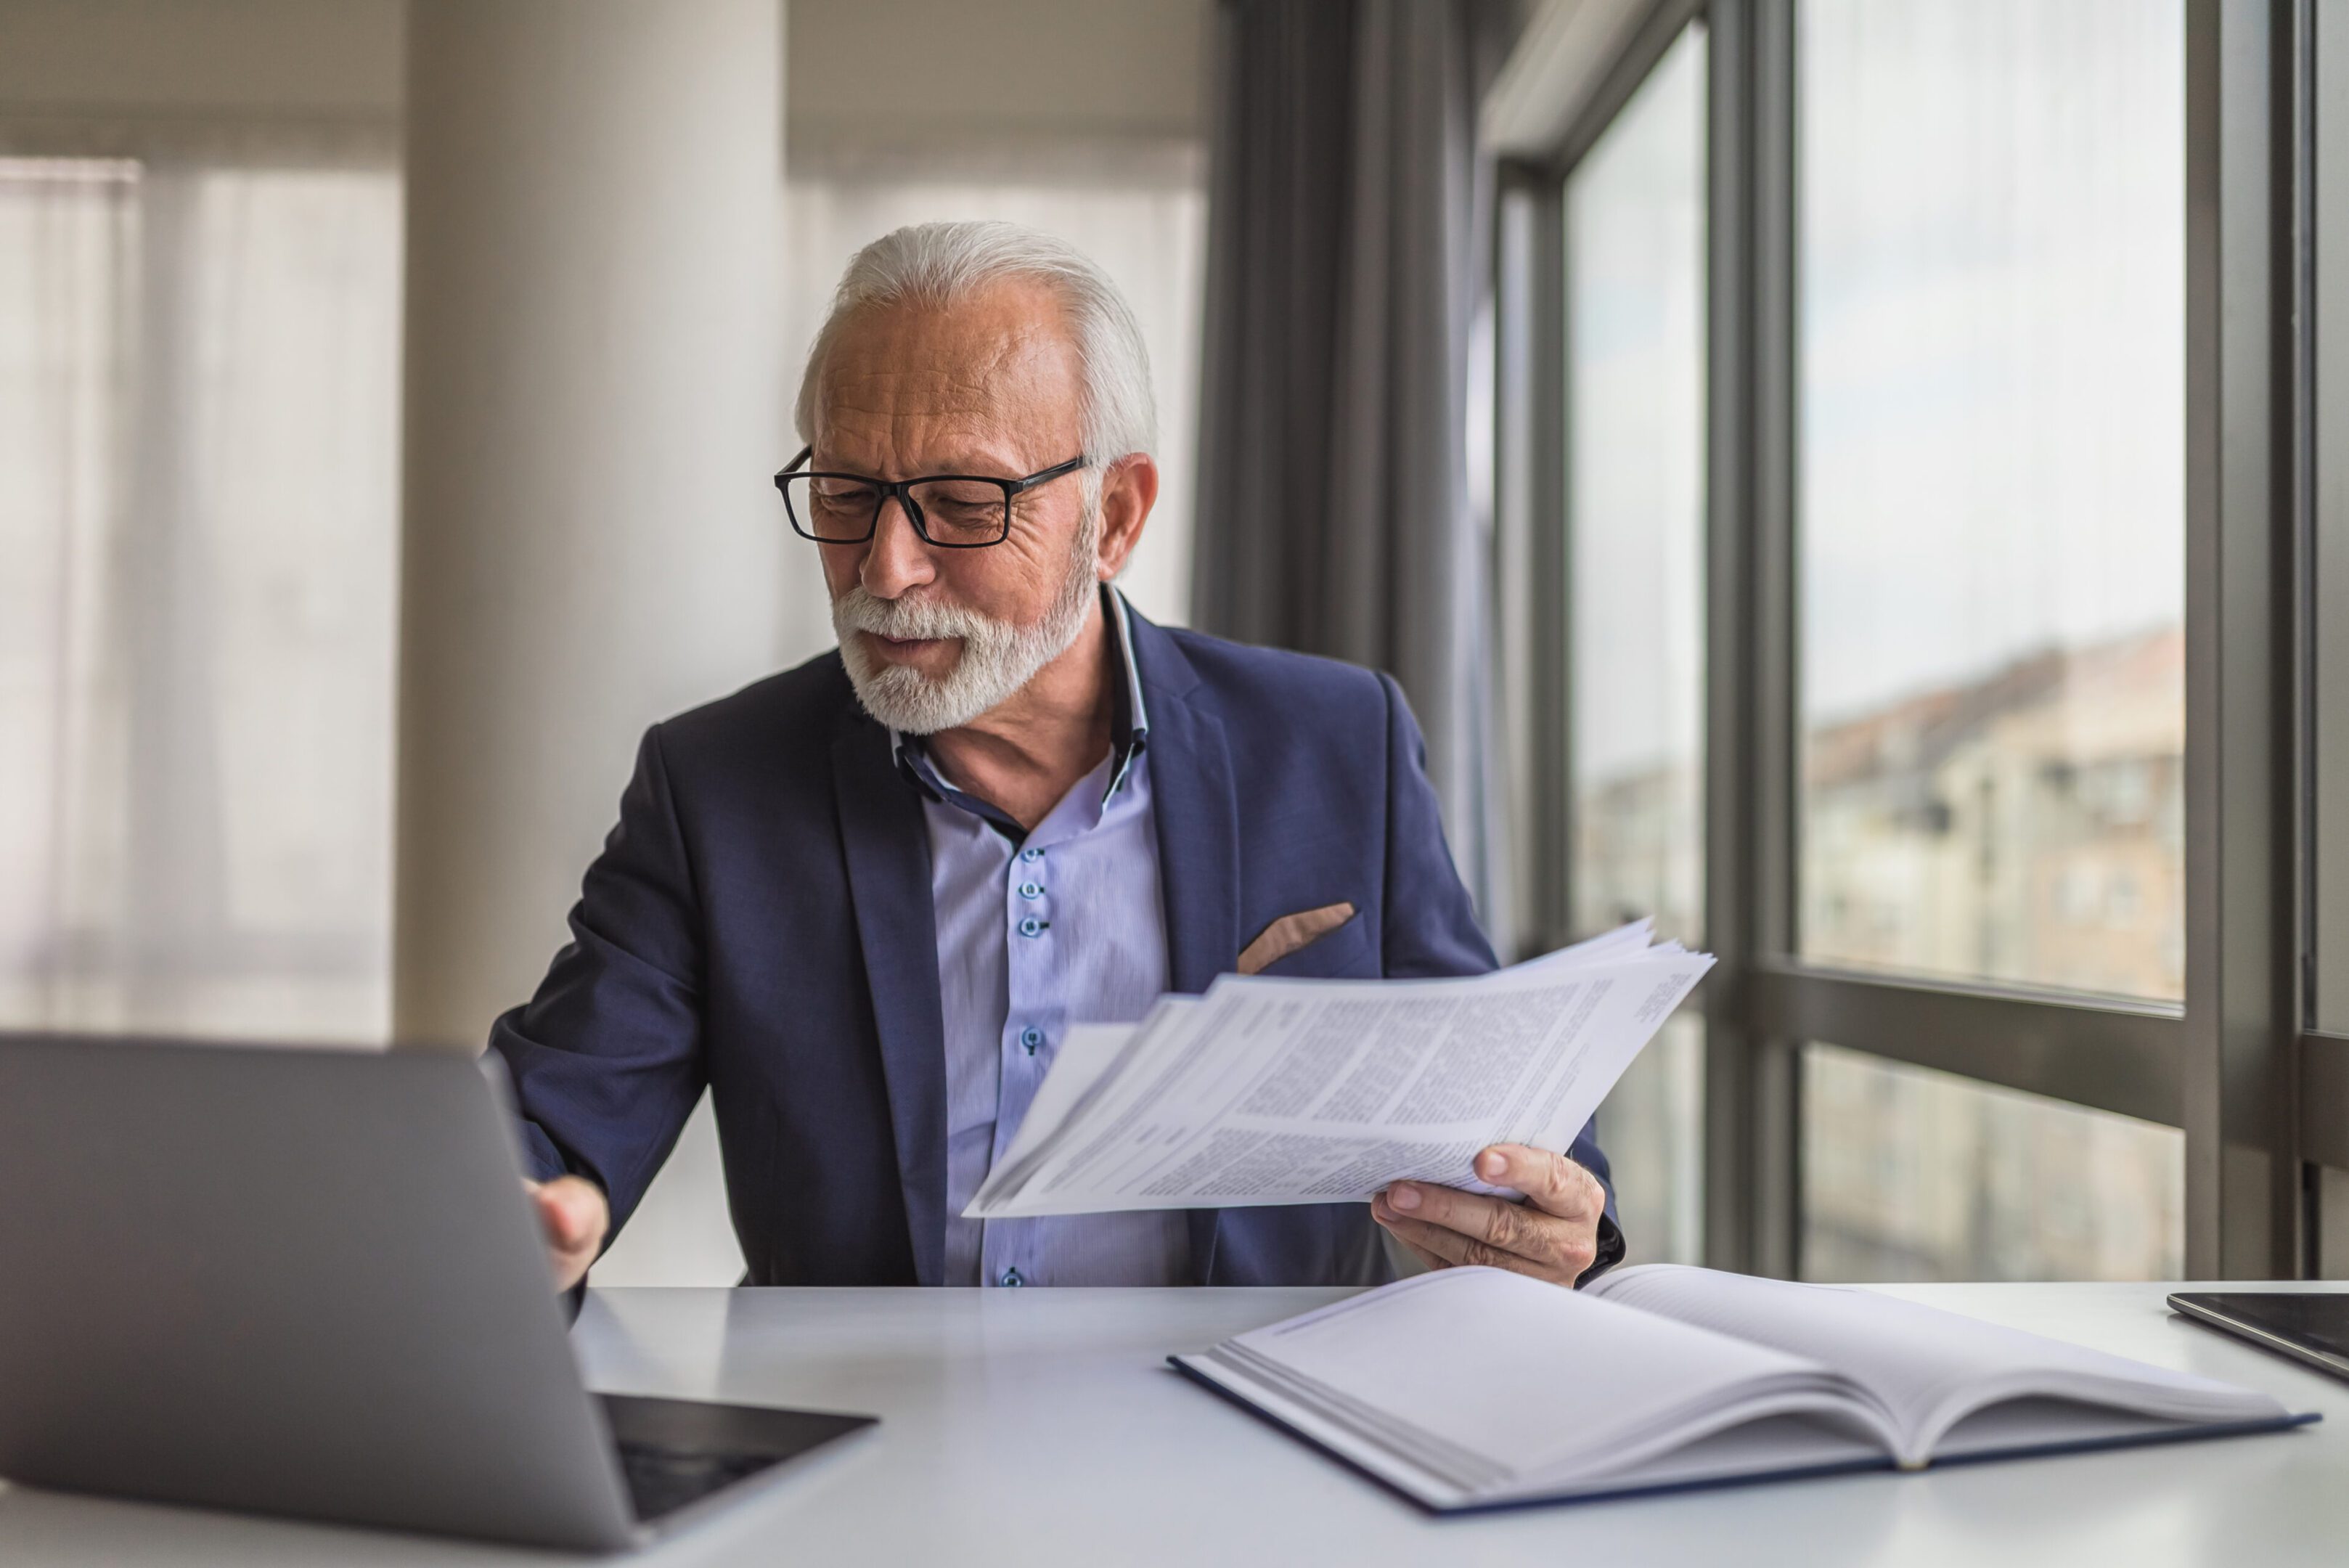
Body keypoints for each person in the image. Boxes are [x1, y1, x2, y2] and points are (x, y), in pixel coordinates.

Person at [497, 220, 1622, 1294]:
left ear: (1116, 517)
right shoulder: (717, 789)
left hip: (1250, 1442)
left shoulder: (1336, 745)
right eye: (846, 492)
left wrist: (1549, 1214)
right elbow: (552, 1113)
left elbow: (1500, 1099)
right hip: (868, 1441)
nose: (885, 569)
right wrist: (511, 1208)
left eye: (960, 501)